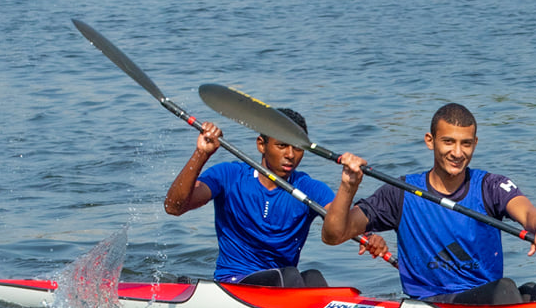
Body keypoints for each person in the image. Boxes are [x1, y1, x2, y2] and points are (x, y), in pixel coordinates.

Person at [318, 102, 536, 306]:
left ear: (475, 143)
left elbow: (528, 212)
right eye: (448, 142)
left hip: (487, 300)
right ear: (430, 141)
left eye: (465, 143)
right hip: (431, 306)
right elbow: (334, 235)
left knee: (531, 292)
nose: (457, 152)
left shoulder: (491, 186)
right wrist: (348, 186)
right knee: (506, 289)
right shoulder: (400, 192)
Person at [162, 112, 389, 286]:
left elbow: (340, 222)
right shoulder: (229, 176)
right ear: (262, 144)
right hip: (233, 284)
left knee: (312, 277)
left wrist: (369, 237)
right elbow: (174, 207)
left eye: (298, 148)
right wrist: (202, 154)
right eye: (281, 145)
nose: (290, 155)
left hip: (282, 286)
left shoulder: (308, 187)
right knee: (289, 275)